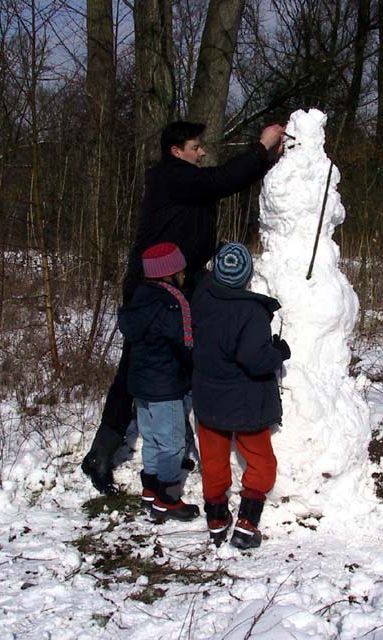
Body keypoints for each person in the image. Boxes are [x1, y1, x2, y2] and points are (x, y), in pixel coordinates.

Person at [82, 121, 285, 494]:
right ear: (177, 152)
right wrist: (261, 148)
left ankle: (182, 439)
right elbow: (221, 182)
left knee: (194, 352)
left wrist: (270, 163)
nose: (202, 151)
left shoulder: (184, 178)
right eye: (196, 146)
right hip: (154, 286)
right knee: (138, 364)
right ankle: (101, 453)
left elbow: (216, 187)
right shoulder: (170, 176)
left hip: (184, 279)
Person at [191, 242, 291, 549]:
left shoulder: (201, 298)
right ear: (247, 277)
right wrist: (278, 351)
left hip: (208, 399)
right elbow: (255, 359)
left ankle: (217, 518)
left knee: (213, 460)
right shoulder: (251, 311)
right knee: (261, 460)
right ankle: (248, 521)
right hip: (246, 405)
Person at [117, 242, 199, 521]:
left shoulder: (139, 297)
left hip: (141, 384)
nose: (184, 274)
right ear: (170, 272)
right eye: (181, 270)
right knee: (172, 443)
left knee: (151, 437)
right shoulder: (173, 303)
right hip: (166, 385)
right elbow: (185, 343)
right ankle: (168, 498)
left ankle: (150, 489)